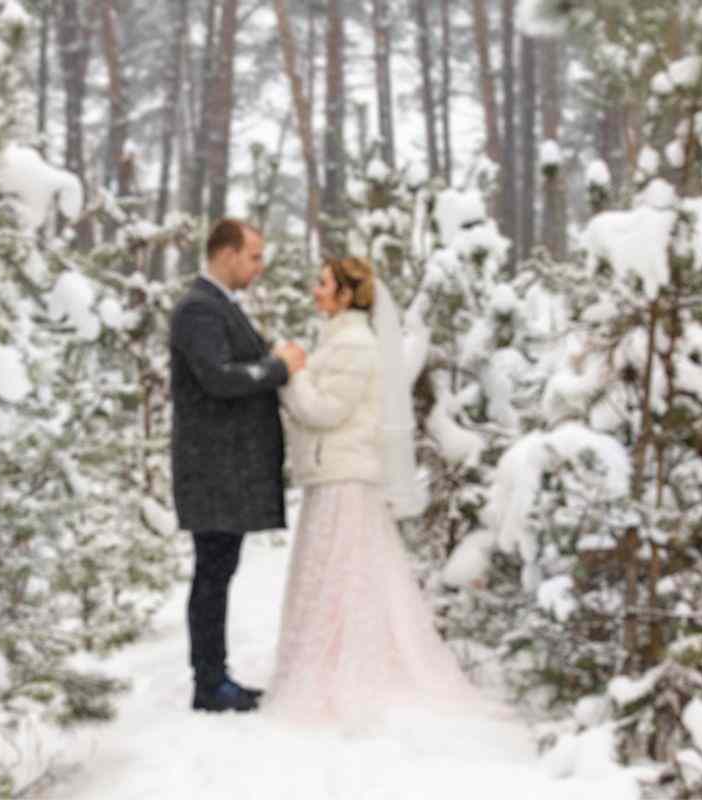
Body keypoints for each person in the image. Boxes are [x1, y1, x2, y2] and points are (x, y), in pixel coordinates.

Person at [266, 256, 480, 726]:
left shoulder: (356, 346)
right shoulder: (339, 341)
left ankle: (349, 670)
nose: (314, 290)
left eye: (323, 283)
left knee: (343, 575)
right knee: (334, 575)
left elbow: (324, 411)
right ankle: (329, 662)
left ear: (346, 294)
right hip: (333, 474)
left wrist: (290, 373)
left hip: (346, 478)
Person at [169, 218, 306, 713]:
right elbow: (219, 378)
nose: (259, 266)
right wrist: (278, 368)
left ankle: (214, 675)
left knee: (218, 570)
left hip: (221, 467)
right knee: (212, 573)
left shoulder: (217, 306)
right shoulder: (198, 309)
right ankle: (209, 683)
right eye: (253, 256)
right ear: (226, 253)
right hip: (212, 468)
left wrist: (272, 356)